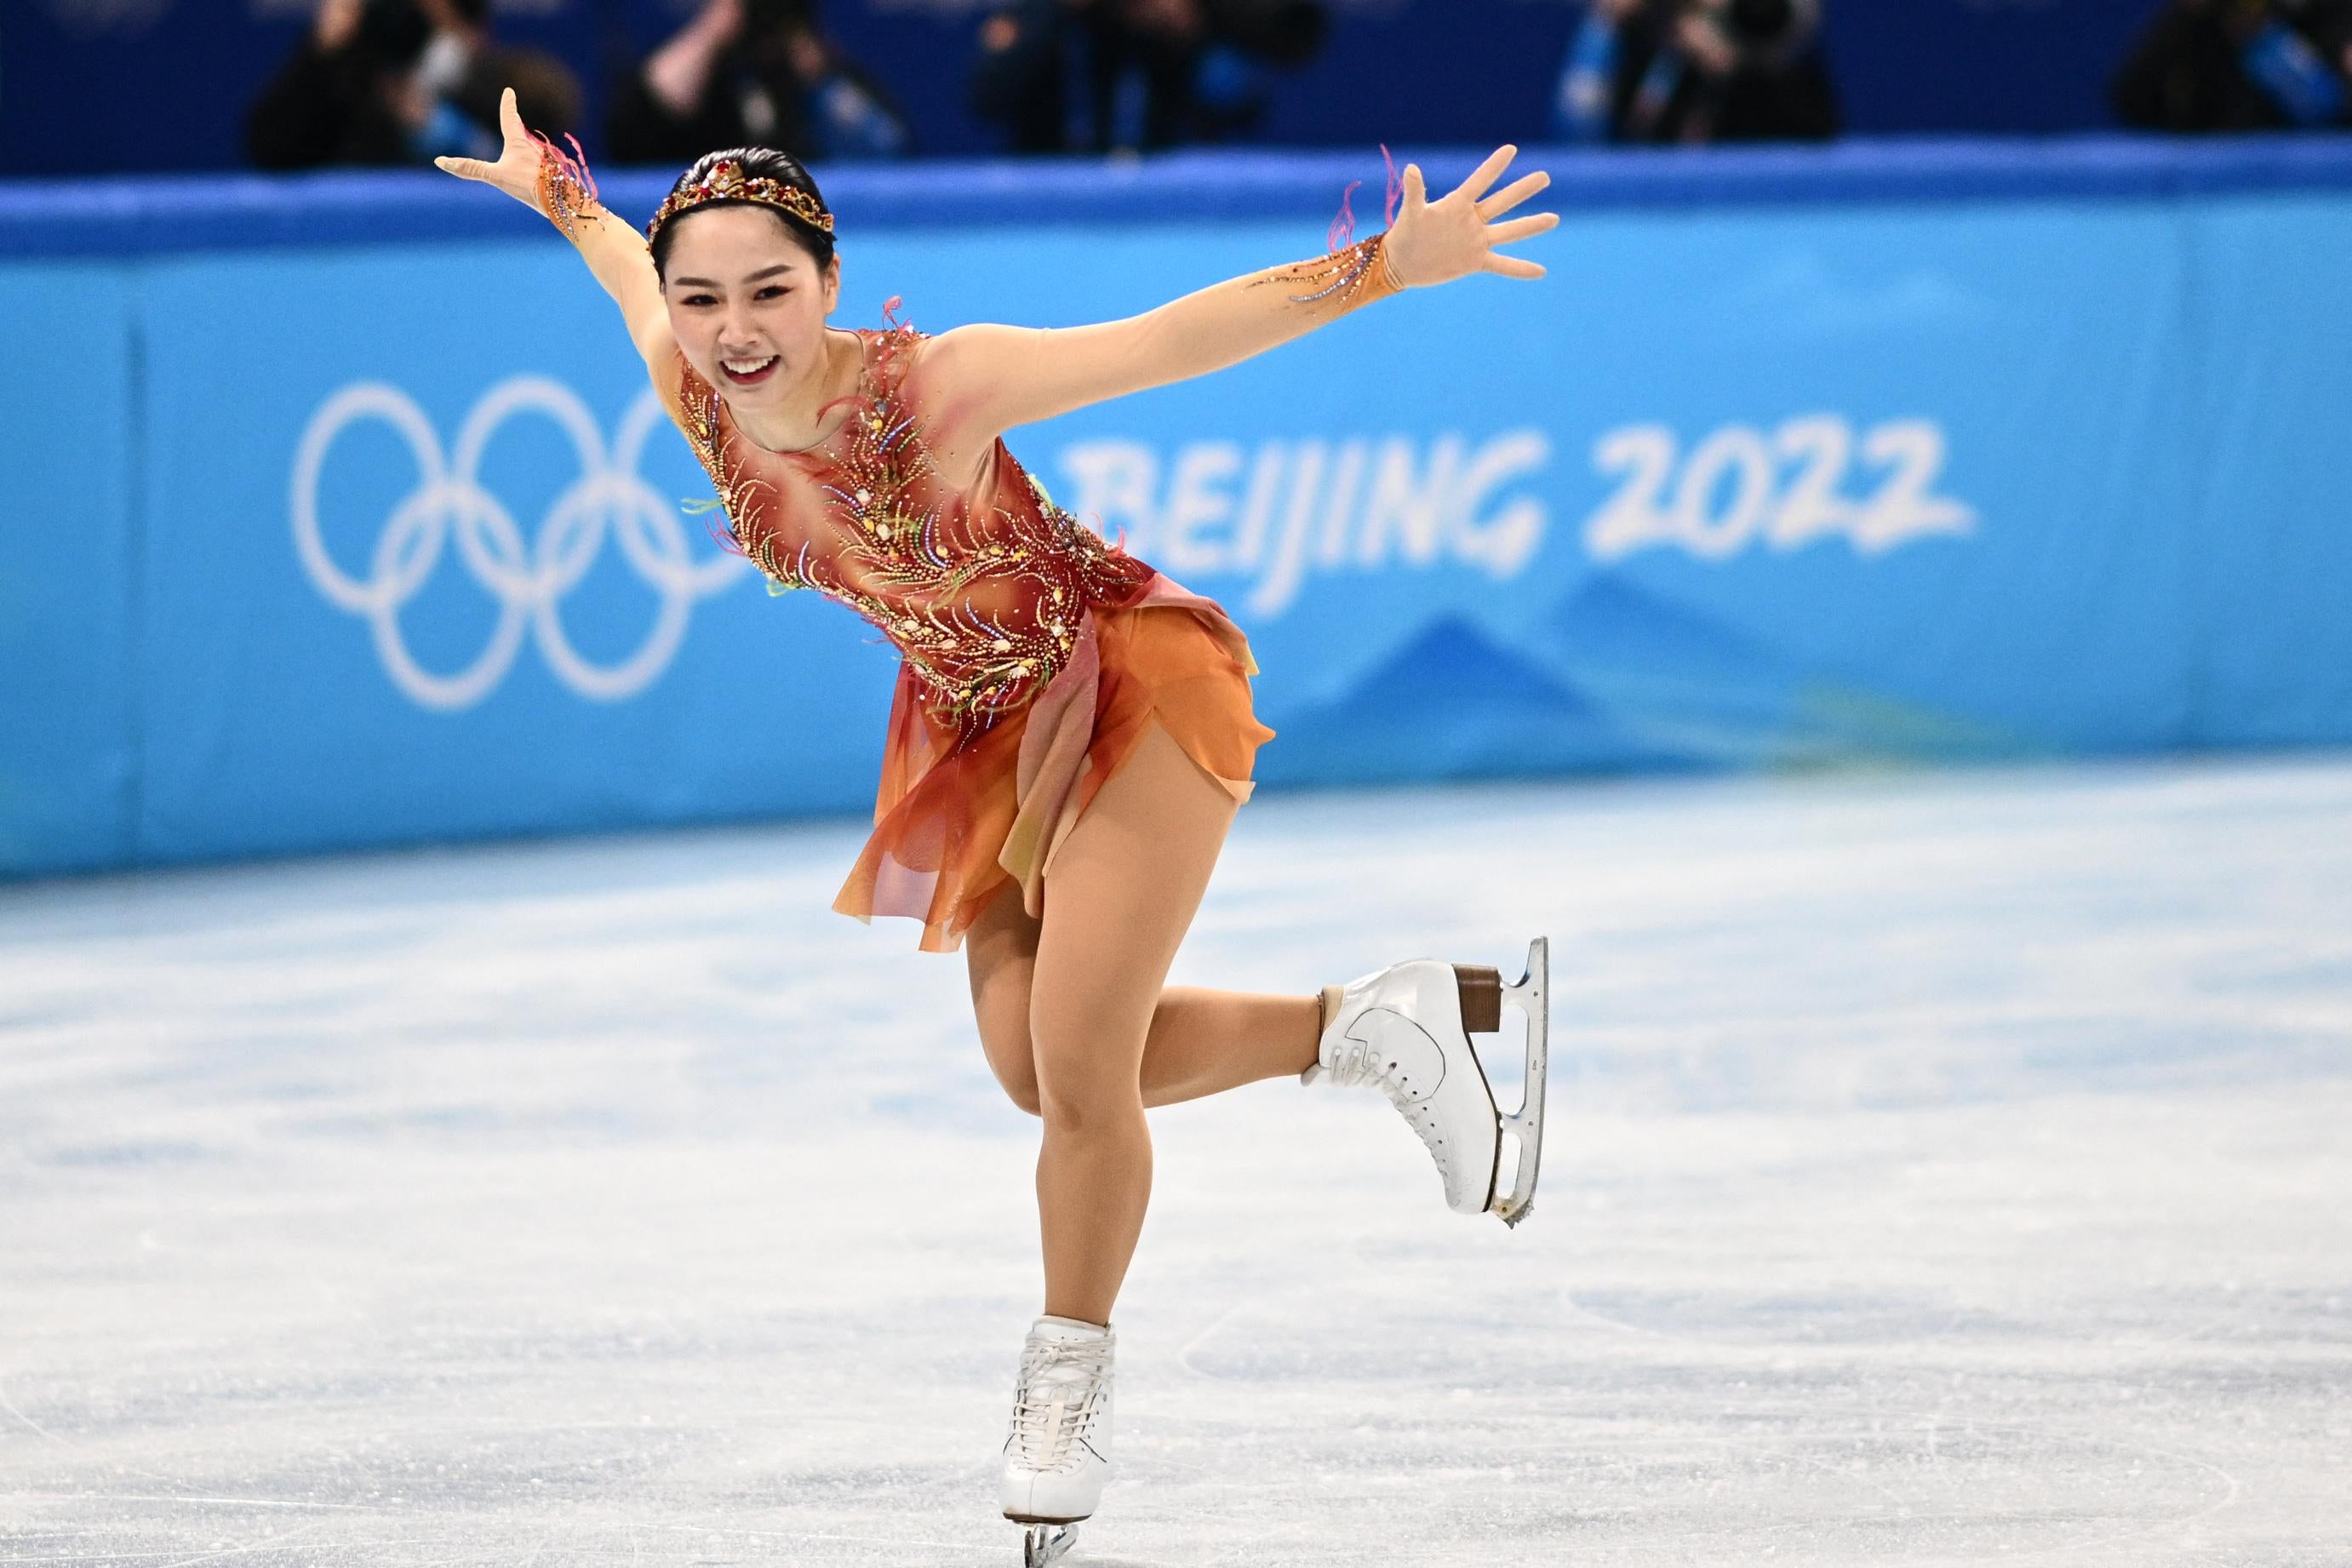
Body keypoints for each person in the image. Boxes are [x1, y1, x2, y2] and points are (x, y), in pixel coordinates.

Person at [435, 92, 1554, 1565]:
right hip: (977, 725)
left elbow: (1164, 339)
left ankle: (1064, 1390)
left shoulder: (937, 388)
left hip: (1126, 680)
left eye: (769, 290)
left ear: (828, 281)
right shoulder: (689, 383)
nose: (733, 328)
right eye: (702, 298)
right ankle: (1379, 1025)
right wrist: (562, 199)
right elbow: (620, 269)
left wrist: (1381, 268)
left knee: (1083, 1074)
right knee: (1033, 1066)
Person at [246, 0, 581, 171]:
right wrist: (321, 55)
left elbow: (539, 165)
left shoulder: (513, 91)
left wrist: (446, 128)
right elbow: (270, 150)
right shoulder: (341, 80)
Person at [608, 0, 913, 165]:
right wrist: (716, 28)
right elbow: (635, 126)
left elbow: (888, 149)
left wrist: (819, 76)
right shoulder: (708, 76)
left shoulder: (820, 77)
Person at [1551, 0, 1839, 145]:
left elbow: (1815, 142)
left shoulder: (1771, 27)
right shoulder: (1645, 41)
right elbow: (1579, 132)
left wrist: (1743, 64)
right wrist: (1606, 27)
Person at [2113, 0, 2352, 131]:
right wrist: (2190, 20)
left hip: (2312, 172)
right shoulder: (2201, 21)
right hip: (2221, 170)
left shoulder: (2324, 16)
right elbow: (2133, 97)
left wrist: (2263, 32)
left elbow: (2328, 111)